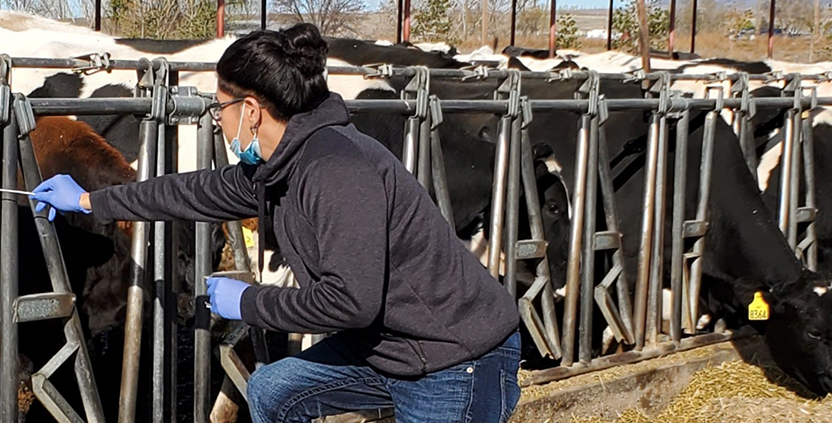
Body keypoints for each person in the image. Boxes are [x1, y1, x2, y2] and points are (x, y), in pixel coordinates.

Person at [29, 23, 522, 422]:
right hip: (390, 350)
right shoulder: (280, 165)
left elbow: (350, 300)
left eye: (219, 106)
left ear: (251, 110)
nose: (216, 119)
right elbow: (192, 191)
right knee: (273, 390)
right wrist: (94, 201)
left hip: (456, 361)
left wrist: (249, 301)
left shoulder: (336, 170)